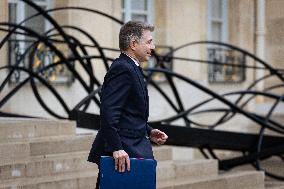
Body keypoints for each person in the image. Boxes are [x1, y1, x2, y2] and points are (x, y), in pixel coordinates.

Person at [87, 20, 168, 188]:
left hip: (133, 148)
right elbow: (109, 111)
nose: (153, 47)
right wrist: (116, 147)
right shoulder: (123, 68)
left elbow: (127, 114)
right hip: (124, 153)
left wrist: (149, 130)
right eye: (149, 42)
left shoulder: (132, 67)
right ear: (133, 44)